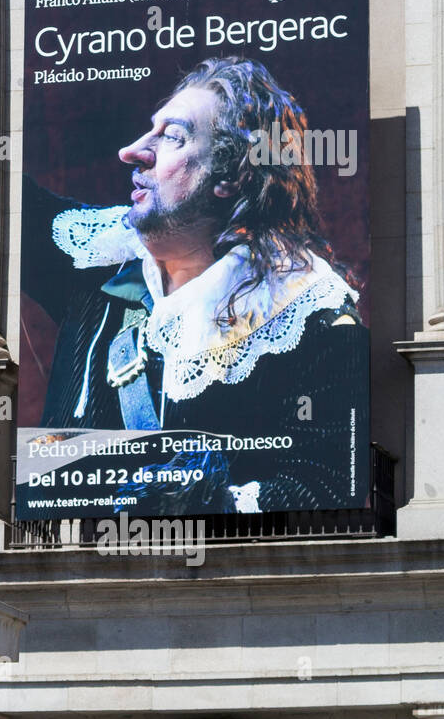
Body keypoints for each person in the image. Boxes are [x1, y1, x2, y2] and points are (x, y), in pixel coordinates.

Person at [22, 56, 368, 513]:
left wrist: (217, 503)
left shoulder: (311, 313)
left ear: (232, 175)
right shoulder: (96, 254)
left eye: (172, 137)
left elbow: (330, 484)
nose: (132, 151)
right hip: (54, 576)